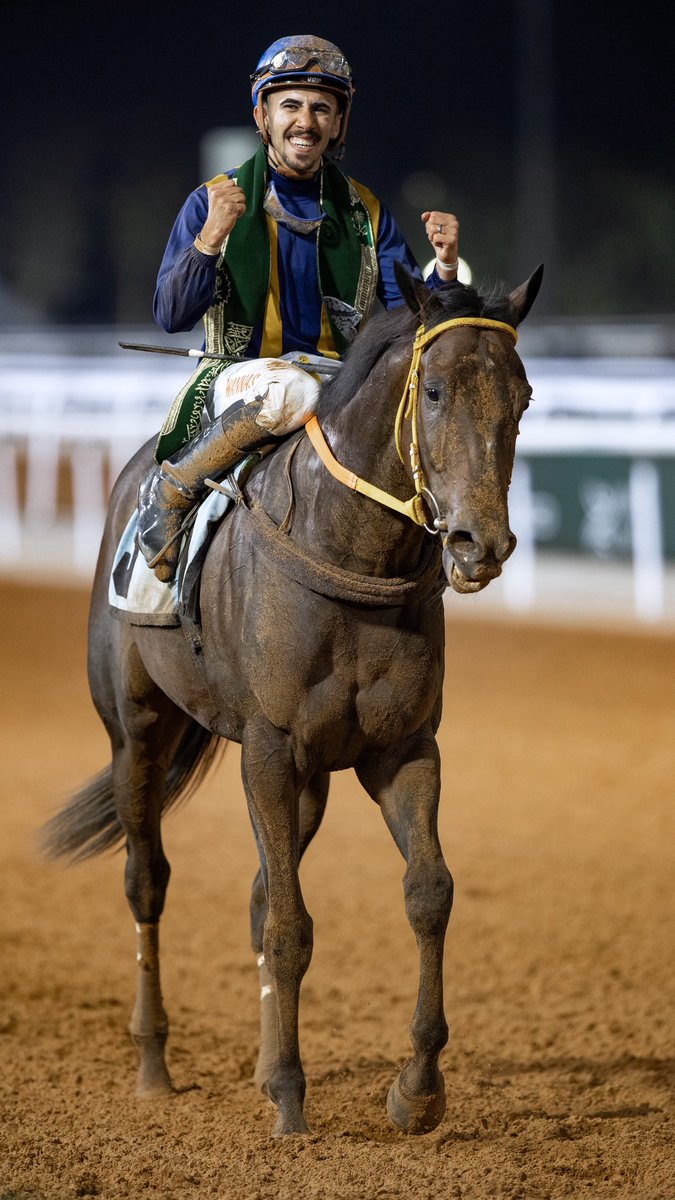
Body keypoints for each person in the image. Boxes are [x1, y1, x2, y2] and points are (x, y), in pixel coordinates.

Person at [138, 35, 460, 581]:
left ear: (337, 123)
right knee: (291, 388)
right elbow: (170, 315)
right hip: (240, 379)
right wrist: (210, 239)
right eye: (290, 105)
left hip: (340, 384)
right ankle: (171, 492)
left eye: (320, 108)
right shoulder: (212, 200)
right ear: (262, 113)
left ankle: (451, 541)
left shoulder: (367, 212)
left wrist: (445, 269)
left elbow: (407, 315)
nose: (305, 121)